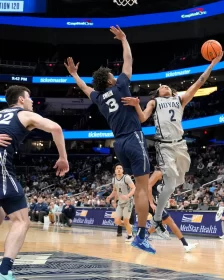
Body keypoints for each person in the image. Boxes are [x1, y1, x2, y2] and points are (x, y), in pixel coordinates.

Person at [64, 26, 154, 254]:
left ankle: (141, 229)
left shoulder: (99, 98)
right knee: (143, 189)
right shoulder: (121, 86)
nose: (116, 75)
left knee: (141, 187)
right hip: (133, 138)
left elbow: (85, 88)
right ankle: (141, 234)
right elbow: (128, 60)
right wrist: (124, 39)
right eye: (113, 75)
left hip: (119, 145)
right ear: (110, 81)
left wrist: (74, 75)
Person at [122, 52, 224, 238]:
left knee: (179, 180)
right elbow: (143, 117)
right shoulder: (154, 102)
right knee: (169, 184)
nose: (165, 87)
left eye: (167, 86)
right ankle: (158, 217)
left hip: (181, 145)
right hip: (165, 146)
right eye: (161, 87)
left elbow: (199, 82)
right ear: (158, 93)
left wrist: (212, 64)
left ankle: (161, 202)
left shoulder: (180, 99)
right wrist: (137, 105)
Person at [0, 85, 69, 280]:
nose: (32, 102)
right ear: (21, 100)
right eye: (30, 98)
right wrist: (63, 157)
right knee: (21, 221)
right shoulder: (24, 115)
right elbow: (56, 127)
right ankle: (4, 271)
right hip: (2, 169)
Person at [146, 168, 198, 252]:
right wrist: (151, 203)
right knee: (170, 221)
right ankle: (186, 245)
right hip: (151, 202)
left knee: (161, 222)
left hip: (155, 202)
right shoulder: (158, 172)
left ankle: (144, 236)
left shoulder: (165, 175)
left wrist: (167, 200)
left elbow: (158, 191)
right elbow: (148, 186)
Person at [106, 163, 136, 242]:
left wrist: (128, 195)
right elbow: (115, 191)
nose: (118, 169)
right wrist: (110, 197)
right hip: (120, 202)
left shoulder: (126, 178)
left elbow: (134, 188)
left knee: (126, 220)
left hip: (128, 201)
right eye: (117, 168)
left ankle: (130, 236)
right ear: (115, 171)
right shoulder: (114, 179)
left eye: (120, 168)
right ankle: (130, 226)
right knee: (117, 221)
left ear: (122, 170)